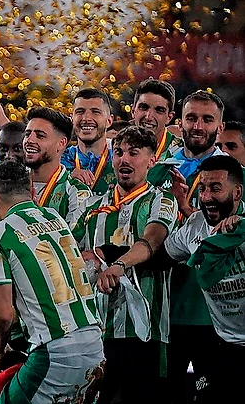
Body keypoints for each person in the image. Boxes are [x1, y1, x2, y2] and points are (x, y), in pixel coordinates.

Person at [0, 160, 104, 403]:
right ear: (32, 191)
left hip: (55, 352)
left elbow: (3, 314)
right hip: (94, 346)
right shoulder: (55, 218)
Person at [74, 126, 178, 404]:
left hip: (146, 331)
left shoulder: (162, 201)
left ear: (151, 161)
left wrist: (117, 263)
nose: (124, 160)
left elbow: (153, 240)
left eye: (134, 153)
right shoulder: (91, 207)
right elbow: (69, 252)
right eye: (119, 153)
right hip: (97, 329)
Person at [161, 90, 226, 403]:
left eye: (207, 119)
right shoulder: (158, 170)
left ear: (220, 127)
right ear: (179, 122)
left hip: (211, 313)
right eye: (191, 118)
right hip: (161, 309)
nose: (198, 126)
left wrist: (186, 210)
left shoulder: (236, 178)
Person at [164, 155, 245, 401]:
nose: (206, 197)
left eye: (215, 188)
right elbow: (161, 256)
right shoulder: (196, 224)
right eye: (202, 188)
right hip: (224, 344)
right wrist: (113, 258)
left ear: (238, 193)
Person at [23, 107, 92, 226]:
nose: (29, 140)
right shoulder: (10, 184)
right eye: (27, 134)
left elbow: (74, 236)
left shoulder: (76, 192)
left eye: (40, 136)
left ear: (61, 143)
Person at [61, 88, 116, 194]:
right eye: (80, 112)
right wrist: (66, 178)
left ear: (109, 121)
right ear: (72, 119)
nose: (86, 118)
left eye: (95, 112)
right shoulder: (59, 161)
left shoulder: (121, 159)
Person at [131, 79, 182, 162]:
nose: (148, 117)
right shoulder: (118, 150)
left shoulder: (181, 152)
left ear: (169, 117)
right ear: (133, 111)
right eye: (143, 107)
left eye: (159, 110)